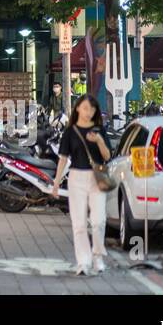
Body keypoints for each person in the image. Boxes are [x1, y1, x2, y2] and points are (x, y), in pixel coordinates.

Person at [51, 94, 112, 276]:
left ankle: (97, 257)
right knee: (78, 224)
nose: (88, 112)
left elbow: (108, 156)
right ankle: (83, 262)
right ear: (78, 108)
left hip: (97, 178)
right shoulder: (71, 132)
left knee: (98, 221)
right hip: (76, 178)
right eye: (85, 108)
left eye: (92, 109)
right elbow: (63, 159)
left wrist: (99, 141)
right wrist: (56, 182)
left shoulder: (100, 130)